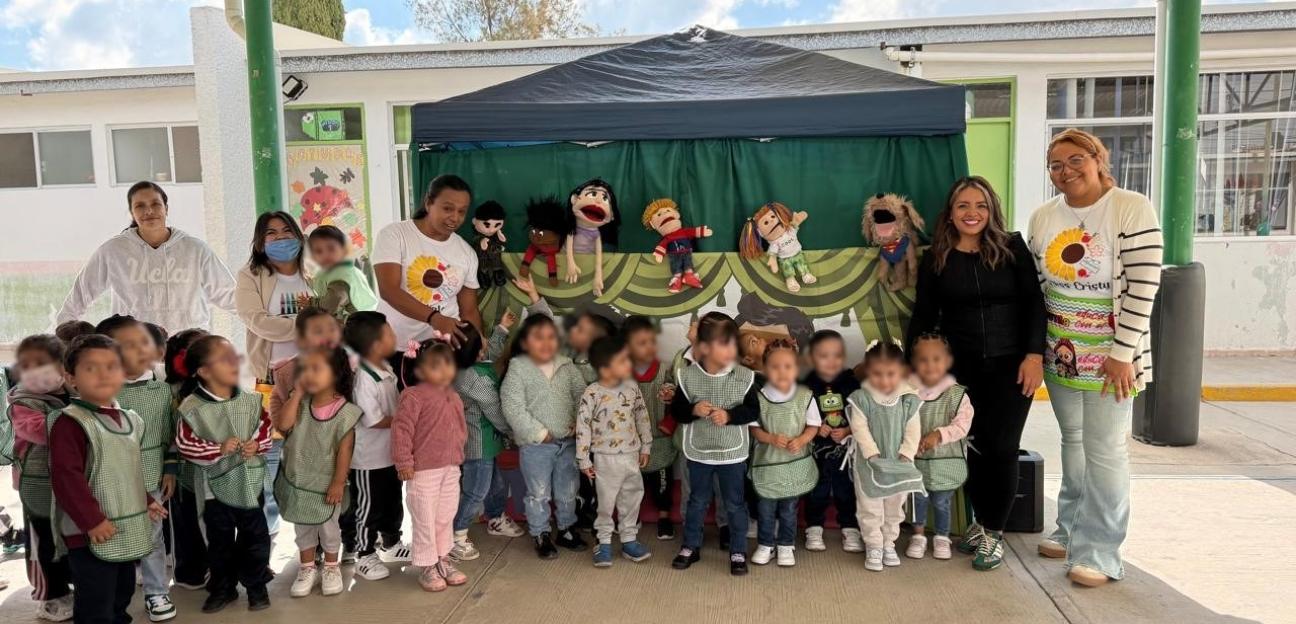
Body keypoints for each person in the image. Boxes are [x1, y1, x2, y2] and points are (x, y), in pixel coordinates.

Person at [1029, 128, 1162, 587]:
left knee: (1105, 449)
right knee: (1073, 441)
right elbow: (1038, 285)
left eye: (1074, 160)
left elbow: (1144, 285)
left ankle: (1101, 551)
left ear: (1097, 157)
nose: (1065, 172)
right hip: (1062, 352)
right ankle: (1069, 529)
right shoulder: (1045, 216)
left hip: (1112, 355)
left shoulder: (1130, 207)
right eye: (1055, 165)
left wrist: (1123, 353)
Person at [906, 175, 1046, 571]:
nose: (972, 213)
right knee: (972, 446)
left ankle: (993, 533)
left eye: (980, 205)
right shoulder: (937, 257)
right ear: (950, 213)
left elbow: (1036, 305)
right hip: (960, 369)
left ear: (992, 210)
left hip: (1012, 365)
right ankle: (981, 526)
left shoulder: (1012, 247)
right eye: (963, 206)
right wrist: (913, 369)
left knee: (1002, 447)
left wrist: (1034, 356)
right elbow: (923, 313)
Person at [49, 334, 168, 624]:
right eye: (91, 368)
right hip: (90, 533)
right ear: (71, 378)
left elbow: (126, 470)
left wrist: (146, 500)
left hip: (125, 524)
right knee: (96, 603)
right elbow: (67, 479)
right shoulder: (70, 422)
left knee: (121, 594)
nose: (104, 375)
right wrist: (92, 521)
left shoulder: (129, 418)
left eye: (112, 367)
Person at [174, 336, 274, 613]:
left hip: (250, 486)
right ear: (204, 371)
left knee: (256, 538)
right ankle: (223, 588)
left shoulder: (252, 400)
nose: (234, 362)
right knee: (219, 543)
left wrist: (257, 445)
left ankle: (256, 585)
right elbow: (185, 446)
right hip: (212, 492)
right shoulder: (191, 407)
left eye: (234, 355)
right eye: (224, 358)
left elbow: (265, 430)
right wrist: (218, 448)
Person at [57, 181, 237, 332]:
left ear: (166, 208)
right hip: (135, 352)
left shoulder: (195, 249)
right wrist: (67, 340)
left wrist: (262, 323)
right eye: (140, 206)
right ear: (132, 213)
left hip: (188, 349)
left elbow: (230, 295)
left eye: (155, 204)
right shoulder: (113, 251)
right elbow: (79, 297)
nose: (148, 211)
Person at [96, 315, 180, 622]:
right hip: (110, 479)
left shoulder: (161, 388)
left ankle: (157, 591)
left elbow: (170, 435)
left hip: (152, 473)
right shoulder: (102, 392)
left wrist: (170, 469)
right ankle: (115, 593)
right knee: (114, 533)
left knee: (152, 535)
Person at [235, 210, 314, 537]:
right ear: (259, 241)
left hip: (315, 379)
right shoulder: (251, 275)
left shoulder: (315, 271)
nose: (281, 238)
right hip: (270, 381)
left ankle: (316, 542)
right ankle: (266, 538)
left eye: (286, 231)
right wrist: (307, 324)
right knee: (267, 462)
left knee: (312, 461)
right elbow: (257, 321)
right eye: (272, 233)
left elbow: (337, 319)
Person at [669, 312, 761, 576]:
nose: (733, 349)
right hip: (699, 453)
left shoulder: (744, 377)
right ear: (706, 347)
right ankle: (690, 545)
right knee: (696, 502)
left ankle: (738, 549)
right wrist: (693, 410)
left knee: (734, 503)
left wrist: (731, 416)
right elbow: (677, 412)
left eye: (734, 343)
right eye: (726, 344)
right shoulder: (687, 376)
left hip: (732, 454)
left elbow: (753, 411)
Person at [274, 346, 360, 599]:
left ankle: (331, 568)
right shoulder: (300, 403)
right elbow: (283, 424)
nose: (309, 374)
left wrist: (338, 482)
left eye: (316, 369)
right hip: (299, 479)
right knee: (304, 527)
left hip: (327, 484)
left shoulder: (345, 411)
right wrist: (296, 395)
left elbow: (345, 450)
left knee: (329, 527)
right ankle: (307, 568)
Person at [500, 314, 588, 559]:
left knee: (568, 489)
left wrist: (578, 422)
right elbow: (512, 406)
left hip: (568, 442)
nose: (546, 343)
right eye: (538, 338)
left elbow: (582, 395)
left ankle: (566, 528)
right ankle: (540, 532)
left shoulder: (567, 366)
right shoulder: (519, 368)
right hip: (536, 445)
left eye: (551, 337)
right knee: (538, 493)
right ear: (526, 342)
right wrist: (539, 433)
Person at [372, 174, 483, 357]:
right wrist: (435, 318)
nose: (455, 218)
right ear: (428, 203)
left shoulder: (466, 253)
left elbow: (469, 310)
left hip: (440, 355)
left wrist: (476, 340)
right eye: (448, 208)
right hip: (393, 347)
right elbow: (389, 290)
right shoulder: (395, 235)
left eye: (462, 211)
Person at [391, 340, 469, 592]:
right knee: (425, 516)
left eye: (448, 364)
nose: (444, 370)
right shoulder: (413, 396)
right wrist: (404, 462)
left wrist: (458, 454)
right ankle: (427, 565)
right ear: (421, 371)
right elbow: (401, 431)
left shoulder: (454, 396)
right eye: (436, 366)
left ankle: (443, 559)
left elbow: (460, 429)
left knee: (445, 515)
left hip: (450, 467)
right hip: (423, 470)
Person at [6, 334, 74, 621]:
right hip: (37, 485)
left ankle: (69, 585)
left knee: (68, 537)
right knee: (44, 542)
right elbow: (43, 431)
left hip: (69, 482)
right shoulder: (22, 401)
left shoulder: (72, 392)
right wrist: (81, 414)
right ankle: (49, 596)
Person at [450, 313, 525, 563]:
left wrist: (502, 327)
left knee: (495, 484)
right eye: (481, 339)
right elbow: (495, 413)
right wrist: (514, 433)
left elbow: (489, 350)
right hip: (477, 445)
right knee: (476, 491)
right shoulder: (475, 379)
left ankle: (495, 518)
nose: (485, 342)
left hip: (487, 443)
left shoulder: (469, 365)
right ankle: (456, 535)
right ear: (474, 350)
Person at [575, 335, 654, 568]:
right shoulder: (592, 393)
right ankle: (604, 542)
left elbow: (642, 416)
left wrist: (646, 445)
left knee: (632, 497)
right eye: (623, 361)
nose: (628, 365)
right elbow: (583, 425)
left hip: (631, 455)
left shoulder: (632, 387)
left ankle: (629, 538)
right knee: (605, 502)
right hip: (604, 458)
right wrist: (583, 459)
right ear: (605, 367)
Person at [845, 340, 923, 573]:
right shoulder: (862, 397)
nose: (885, 380)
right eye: (877, 374)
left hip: (899, 462)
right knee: (870, 505)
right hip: (870, 463)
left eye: (891, 374)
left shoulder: (908, 399)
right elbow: (859, 428)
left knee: (894, 505)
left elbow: (913, 429)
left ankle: (889, 542)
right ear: (869, 372)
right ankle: (874, 545)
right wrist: (872, 454)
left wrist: (906, 453)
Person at [341, 311, 403, 580]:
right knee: (368, 507)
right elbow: (373, 419)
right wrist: (404, 420)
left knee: (392, 501)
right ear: (376, 344)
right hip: (369, 460)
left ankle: (391, 543)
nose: (395, 337)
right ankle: (364, 554)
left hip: (390, 455)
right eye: (390, 333)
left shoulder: (385, 369)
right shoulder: (365, 378)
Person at [748, 339, 820, 568]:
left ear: (796, 368)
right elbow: (754, 428)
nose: (781, 372)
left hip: (794, 463)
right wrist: (770, 438)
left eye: (787, 366)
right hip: (768, 464)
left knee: (789, 508)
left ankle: (786, 544)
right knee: (765, 507)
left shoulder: (805, 396)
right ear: (765, 368)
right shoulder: (759, 398)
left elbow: (813, 426)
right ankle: (766, 544)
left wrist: (801, 439)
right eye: (775, 366)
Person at [905, 333, 974, 561]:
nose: (930, 365)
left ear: (947, 362)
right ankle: (918, 536)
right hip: (916, 462)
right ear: (914, 363)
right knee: (917, 500)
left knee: (941, 501)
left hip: (946, 461)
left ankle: (942, 537)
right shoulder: (908, 393)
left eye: (937, 359)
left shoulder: (957, 394)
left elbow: (962, 425)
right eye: (923, 360)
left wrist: (939, 434)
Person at [800, 329, 863, 553]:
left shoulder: (851, 384)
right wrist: (815, 428)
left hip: (846, 452)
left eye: (837, 355)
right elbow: (797, 415)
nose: (831, 361)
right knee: (816, 489)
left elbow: (863, 416)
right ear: (812, 358)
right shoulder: (807, 385)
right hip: (817, 450)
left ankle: (850, 527)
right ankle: (814, 527)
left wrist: (847, 430)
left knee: (847, 489)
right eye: (824, 355)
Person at [161, 328, 211, 591]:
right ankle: (190, 573)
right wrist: (170, 468)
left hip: (214, 469)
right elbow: (171, 436)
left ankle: (214, 568)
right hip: (182, 472)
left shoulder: (220, 388)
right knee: (185, 521)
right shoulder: (170, 392)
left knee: (211, 520)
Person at [622, 315, 679, 540]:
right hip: (630, 440)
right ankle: (631, 517)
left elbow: (674, 393)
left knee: (662, 482)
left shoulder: (664, 368)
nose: (649, 348)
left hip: (659, 438)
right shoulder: (621, 372)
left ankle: (664, 517)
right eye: (641, 343)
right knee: (629, 483)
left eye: (651, 341)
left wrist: (669, 395)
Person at [309, 225, 379, 320]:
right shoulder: (328, 272)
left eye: (331, 249)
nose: (325, 255)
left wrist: (311, 303)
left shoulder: (342, 274)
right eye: (318, 251)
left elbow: (333, 301)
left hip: (361, 325)